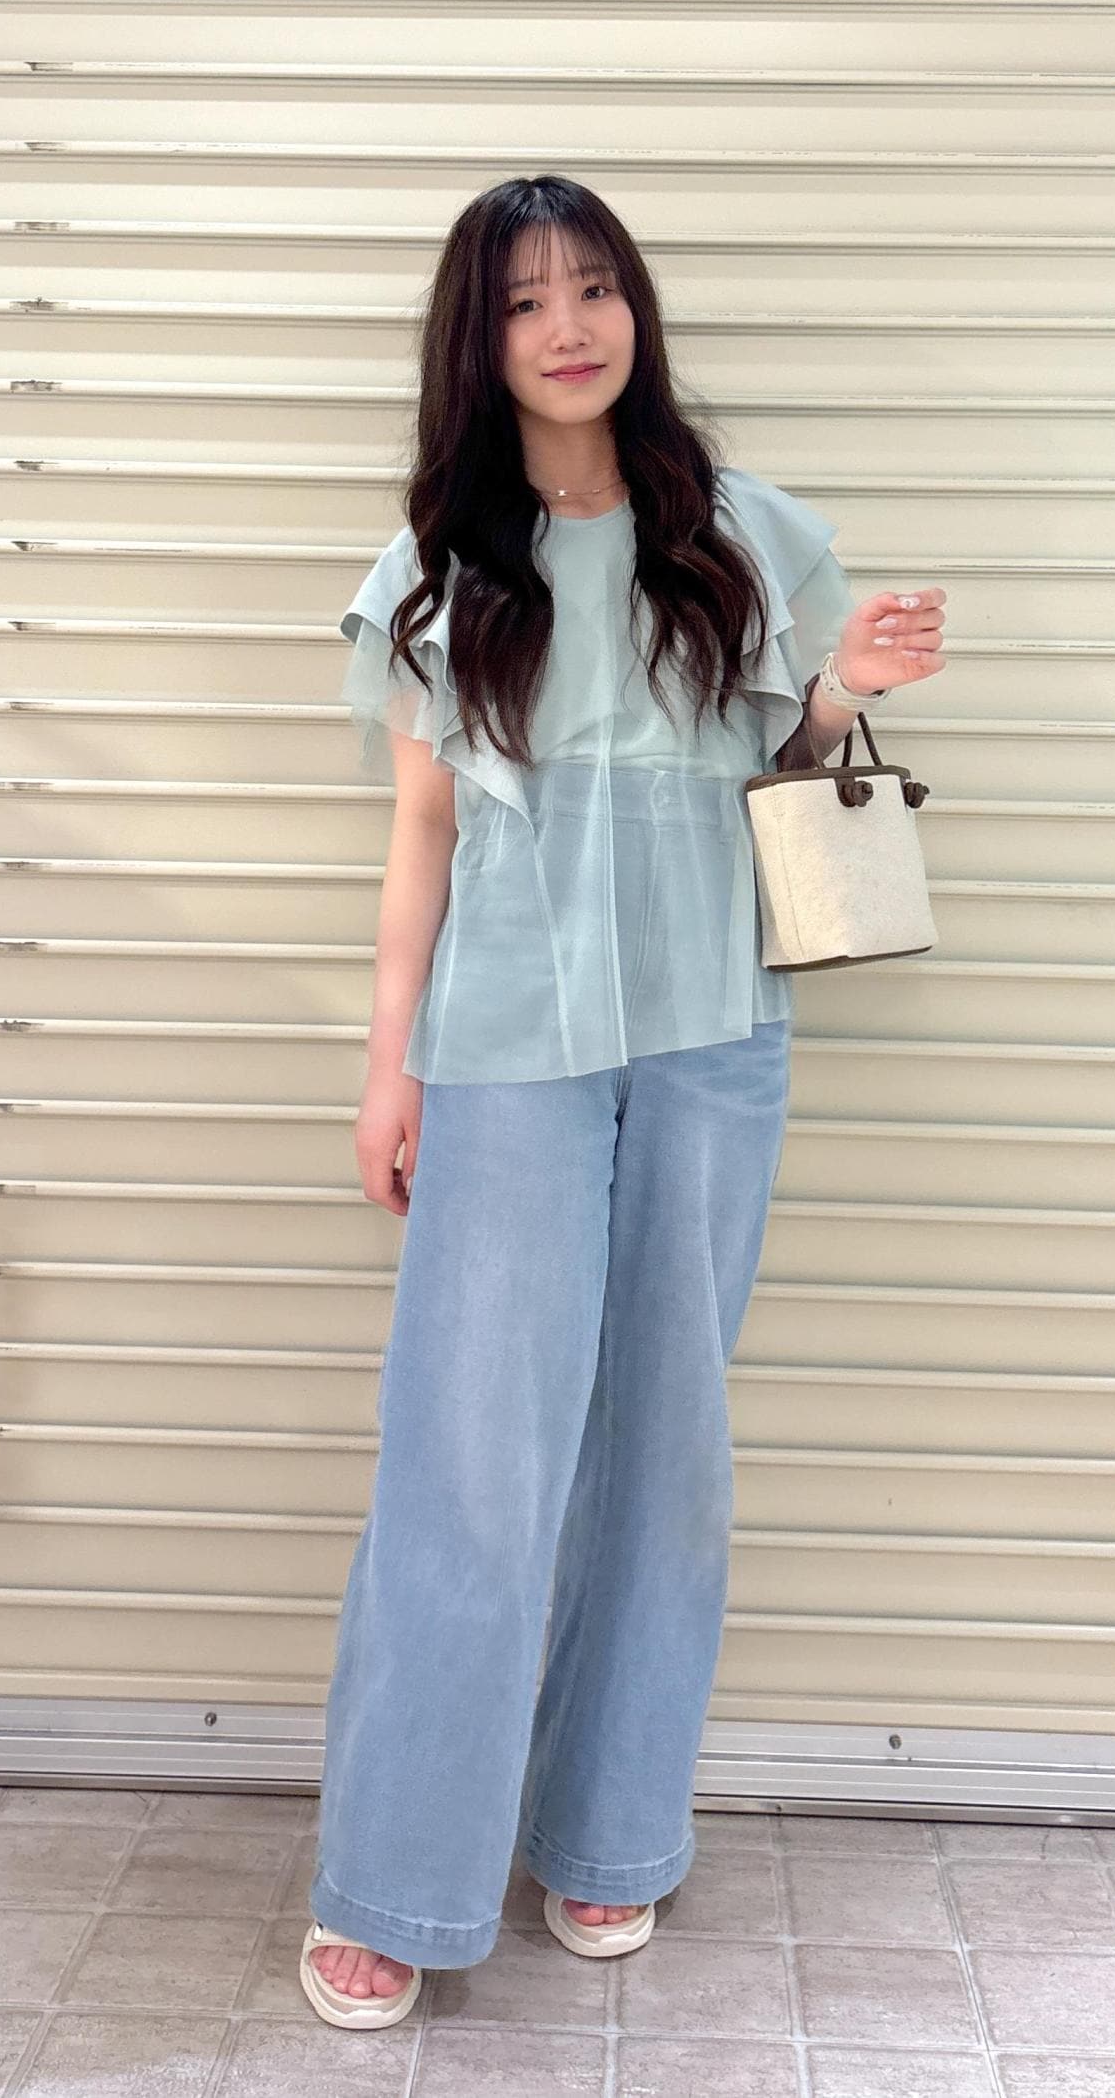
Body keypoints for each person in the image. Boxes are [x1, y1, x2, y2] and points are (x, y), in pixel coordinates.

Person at [302, 173, 947, 2030]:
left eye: (594, 288)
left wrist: (842, 689)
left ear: (635, 310)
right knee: (469, 1454)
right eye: (525, 301)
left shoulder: (737, 532)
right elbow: (422, 840)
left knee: (668, 1437)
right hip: (505, 1039)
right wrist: (386, 1070)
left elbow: (781, 768)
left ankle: (608, 1830)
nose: (569, 326)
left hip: (711, 1028)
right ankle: (396, 1876)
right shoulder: (441, 567)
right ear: (480, 339)